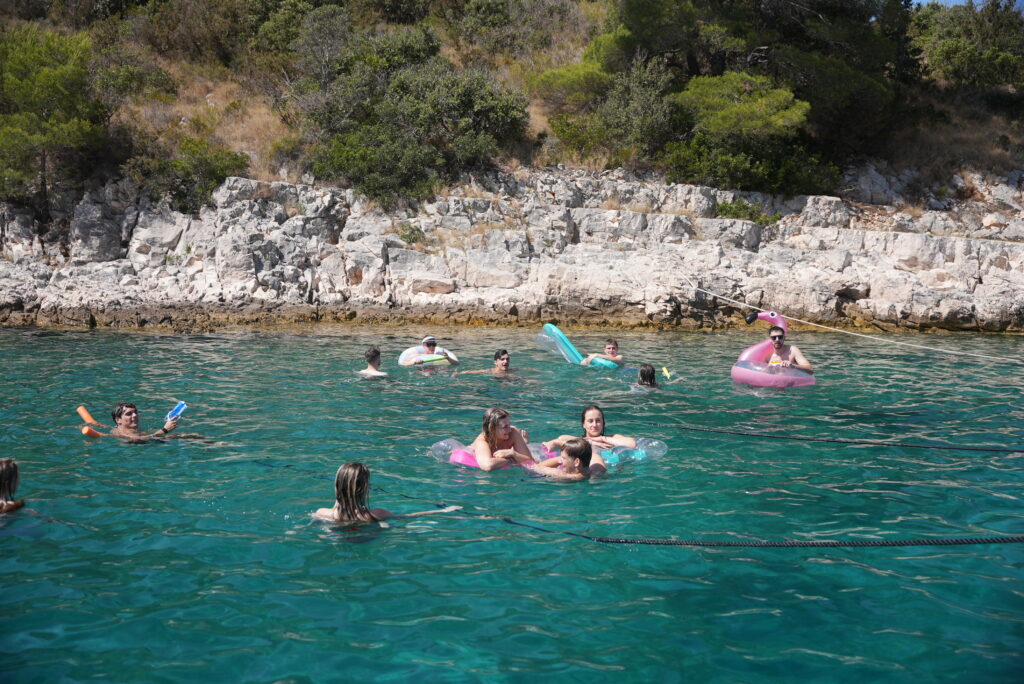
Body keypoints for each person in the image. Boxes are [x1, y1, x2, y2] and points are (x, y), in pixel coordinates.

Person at [313, 462, 460, 523]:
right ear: (364, 488)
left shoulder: (323, 513)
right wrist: (443, 511)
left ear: (337, 487)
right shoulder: (376, 514)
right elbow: (407, 517)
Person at [542, 404, 636, 470]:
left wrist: (602, 439)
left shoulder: (612, 438)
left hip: (610, 470)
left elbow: (632, 444)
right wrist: (590, 442)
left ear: (603, 423)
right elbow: (561, 438)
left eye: (598, 421)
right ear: (583, 424)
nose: (595, 424)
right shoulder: (578, 441)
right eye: (590, 421)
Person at [469, 407, 534, 471]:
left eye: (509, 425)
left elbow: (531, 461)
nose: (509, 430)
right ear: (492, 429)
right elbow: (488, 466)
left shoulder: (513, 432)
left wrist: (513, 453)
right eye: (505, 427)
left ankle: (524, 442)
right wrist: (512, 459)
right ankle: (524, 442)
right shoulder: (482, 442)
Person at [528, 437, 604, 480]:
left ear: (577, 462)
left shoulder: (564, 476)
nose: (560, 460)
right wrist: (557, 442)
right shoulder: (598, 469)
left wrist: (558, 461)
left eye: (563, 458)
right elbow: (591, 453)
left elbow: (535, 467)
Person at [109, 402, 179, 441]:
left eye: (135, 412)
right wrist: (165, 430)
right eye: (129, 414)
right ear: (118, 420)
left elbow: (148, 435)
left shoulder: (131, 430)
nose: (135, 415)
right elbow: (138, 439)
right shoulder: (121, 432)